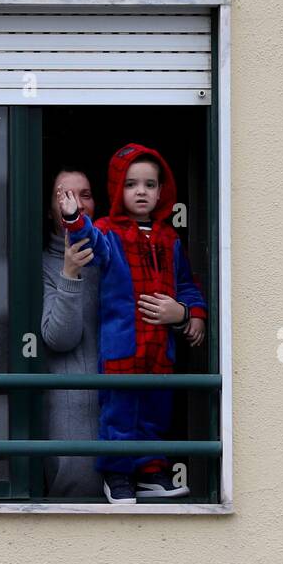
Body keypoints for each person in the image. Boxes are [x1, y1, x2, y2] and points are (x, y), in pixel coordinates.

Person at [57, 143, 206, 503]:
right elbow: (90, 243)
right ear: (117, 189)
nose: (141, 191)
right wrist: (75, 217)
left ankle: (151, 471)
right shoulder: (109, 231)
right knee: (119, 414)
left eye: (150, 185)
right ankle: (117, 474)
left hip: (160, 350)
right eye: (131, 184)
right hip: (123, 347)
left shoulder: (170, 238)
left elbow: (186, 284)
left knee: (155, 412)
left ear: (161, 192)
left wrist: (192, 314)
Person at [40, 167, 104, 497]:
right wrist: (70, 273)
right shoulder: (42, 265)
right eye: (64, 195)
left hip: (122, 411)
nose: (75, 203)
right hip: (73, 418)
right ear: (50, 210)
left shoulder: (113, 256)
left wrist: (183, 315)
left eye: (85, 194)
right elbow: (59, 338)